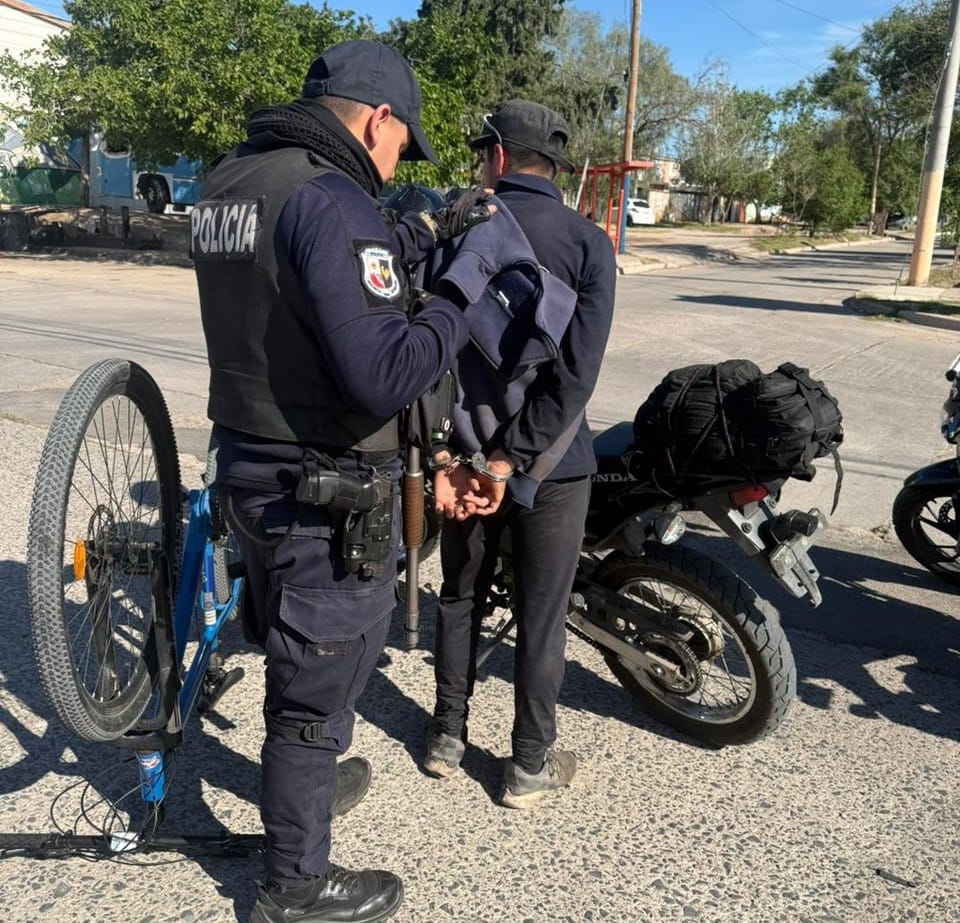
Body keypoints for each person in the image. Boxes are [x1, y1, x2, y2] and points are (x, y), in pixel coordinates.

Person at [193, 40, 502, 923]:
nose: (399, 162)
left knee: (304, 648)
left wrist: (418, 227)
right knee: (315, 686)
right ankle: (292, 885)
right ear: (378, 120)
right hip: (318, 486)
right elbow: (383, 371)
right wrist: (458, 287)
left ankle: (309, 786)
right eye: (403, 146)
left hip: (248, 461)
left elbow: (305, 278)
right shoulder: (329, 200)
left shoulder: (229, 183)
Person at [423, 100, 617, 809]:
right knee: (541, 612)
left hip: (463, 459)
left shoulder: (459, 226)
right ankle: (528, 764)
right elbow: (577, 375)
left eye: (482, 153)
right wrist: (514, 461)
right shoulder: (590, 244)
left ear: (499, 157)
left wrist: (457, 459)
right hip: (553, 470)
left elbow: (428, 352)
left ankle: (447, 735)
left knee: (459, 595)